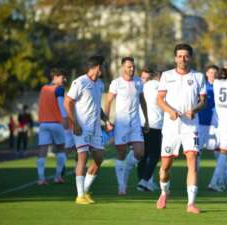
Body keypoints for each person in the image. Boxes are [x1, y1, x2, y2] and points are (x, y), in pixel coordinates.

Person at [156, 43, 206, 214]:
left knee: (192, 161)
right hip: (171, 127)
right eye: (179, 56)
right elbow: (160, 99)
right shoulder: (166, 75)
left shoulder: (199, 77)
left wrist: (195, 109)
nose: (182, 59)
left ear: (190, 57)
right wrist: (170, 111)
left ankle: (191, 203)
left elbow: (203, 101)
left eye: (185, 56)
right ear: (175, 58)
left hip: (191, 127)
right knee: (165, 167)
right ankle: (164, 192)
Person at [64, 55, 113, 204]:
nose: (105, 69)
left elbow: (98, 108)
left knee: (99, 159)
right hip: (82, 128)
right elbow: (68, 102)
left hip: (96, 129)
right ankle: (80, 196)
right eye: (104, 66)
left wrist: (106, 121)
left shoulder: (100, 84)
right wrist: (75, 123)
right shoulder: (80, 82)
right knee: (83, 159)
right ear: (98, 67)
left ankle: (85, 191)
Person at [104, 56, 149, 195]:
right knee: (121, 154)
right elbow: (108, 101)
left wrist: (146, 120)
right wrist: (106, 120)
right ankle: (121, 185)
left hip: (135, 123)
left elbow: (142, 101)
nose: (132, 69)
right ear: (123, 67)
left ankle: (126, 172)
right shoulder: (116, 83)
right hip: (121, 124)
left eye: (133, 66)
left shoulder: (138, 82)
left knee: (140, 152)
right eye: (129, 66)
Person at [36, 68, 69, 185]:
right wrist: (65, 118)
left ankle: (41, 179)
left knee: (42, 149)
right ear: (55, 77)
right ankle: (57, 177)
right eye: (62, 77)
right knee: (61, 148)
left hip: (43, 123)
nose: (64, 79)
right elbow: (61, 105)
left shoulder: (43, 88)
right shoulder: (59, 89)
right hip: (56, 123)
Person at [137, 71, 163, 192]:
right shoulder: (162, 86)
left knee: (144, 154)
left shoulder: (145, 85)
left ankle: (142, 182)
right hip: (155, 124)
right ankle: (144, 181)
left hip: (142, 123)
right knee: (155, 155)